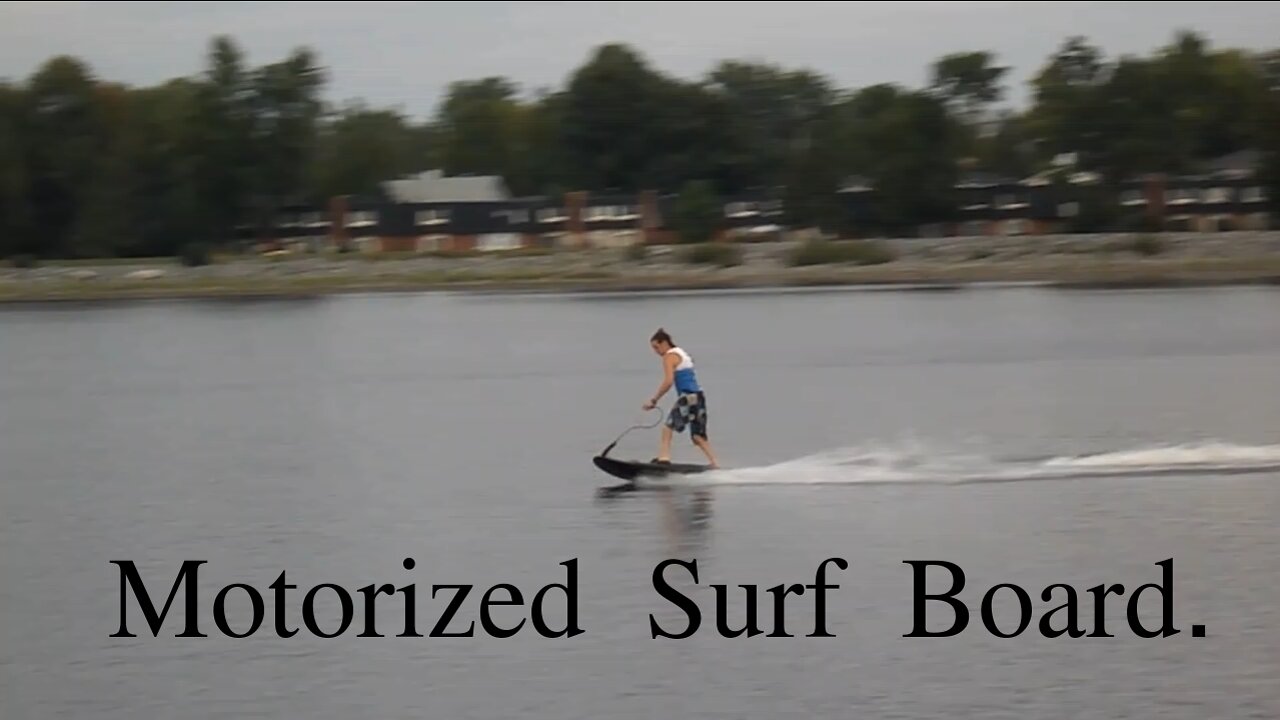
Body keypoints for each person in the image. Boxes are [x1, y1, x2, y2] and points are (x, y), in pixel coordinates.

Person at [642, 328, 719, 468]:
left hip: (688, 397)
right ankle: (715, 464)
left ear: (664, 343)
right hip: (699, 396)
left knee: (667, 428)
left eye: (656, 347)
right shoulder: (682, 353)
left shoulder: (669, 356)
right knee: (698, 437)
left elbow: (668, 381)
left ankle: (663, 459)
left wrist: (654, 400)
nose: (656, 351)